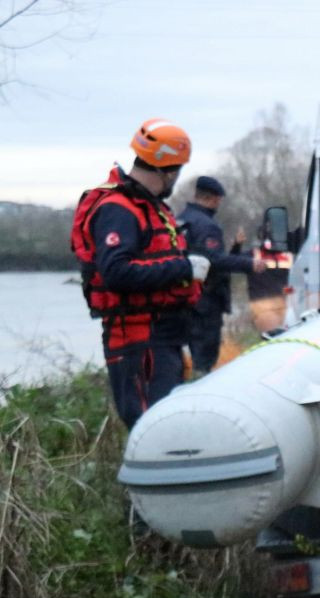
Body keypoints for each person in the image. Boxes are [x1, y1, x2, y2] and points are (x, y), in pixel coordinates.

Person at [70, 118, 207, 429]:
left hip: (161, 337)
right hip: (138, 342)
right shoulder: (119, 210)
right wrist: (183, 267)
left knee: (168, 427)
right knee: (153, 430)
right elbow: (116, 272)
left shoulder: (147, 206)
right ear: (168, 170)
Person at [179, 176, 265, 373]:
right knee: (205, 360)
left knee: (193, 354)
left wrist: (235, 248)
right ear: (214, 199)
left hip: (187, 299)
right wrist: (250, 264)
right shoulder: (207, 225)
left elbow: (205, 258)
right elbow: (214, 262)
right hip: (206, 302)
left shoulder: (183, 218)